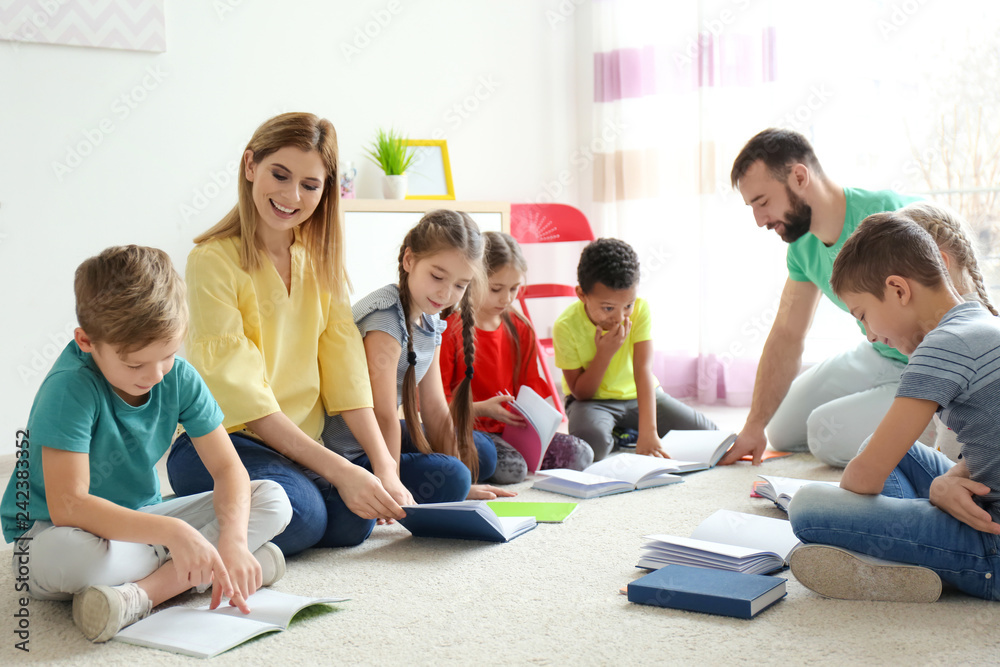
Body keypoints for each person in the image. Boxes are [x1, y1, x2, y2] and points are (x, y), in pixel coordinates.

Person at [0, 246, 292, 642]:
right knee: (81, 558)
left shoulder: (180, 377)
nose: (154, 375)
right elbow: (69, 506)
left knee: (273, 498)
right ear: (86, 341)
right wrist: (177, 534)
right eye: (135, 364)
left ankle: (142, 595)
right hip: (50, 533)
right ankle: (212, 567)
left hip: (141, 522)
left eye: (168, 355)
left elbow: (227, 470)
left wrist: (235, 538)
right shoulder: (69, 387)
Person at [166, 112, 408, 558]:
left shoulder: (320, 259)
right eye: (280, 175)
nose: (291, 196)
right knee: (307, 517)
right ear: (250, 166)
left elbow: (347, 375)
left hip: (300, 449)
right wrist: (343, 472)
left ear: (325, 189)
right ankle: (168, 529)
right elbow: (247, 402)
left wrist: (384, 466)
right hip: (223, 445)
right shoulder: (211, 261)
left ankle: (233, 520)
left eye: (310, 185)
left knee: (357, 517)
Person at [787, 212, 1000, 602]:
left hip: (992, 549)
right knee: (885, 447)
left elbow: (863, 479)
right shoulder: (983, 322)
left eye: (863, 315)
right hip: (986, 507)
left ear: (898, 289)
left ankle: (905, 560)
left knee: (806, 507)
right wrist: (941, 485)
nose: (869, 336)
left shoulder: (941, 346)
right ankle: (910, 550)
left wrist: (936, 493)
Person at [720, 128, 921, 467]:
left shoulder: (890, 217)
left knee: (824, 435)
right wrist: (754, 426)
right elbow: (787, 334)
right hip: (878, 353)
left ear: (799, 177)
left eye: (763, 202)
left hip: (927, 365)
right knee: (780, 429)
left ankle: (941, 429)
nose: (759, 221)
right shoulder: (801, 248)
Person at [322, 210, 512, 499]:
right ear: (409, 260)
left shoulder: (430, 318)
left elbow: (434, 406)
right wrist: (392, 483)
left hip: (383, 432)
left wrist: (466, 487)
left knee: (481, 453)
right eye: (437, 276)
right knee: (455, 476)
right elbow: (383, 412)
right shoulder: (385, 317)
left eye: (461, 285)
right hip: (351, 446)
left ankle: (450, 477)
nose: (447, 293)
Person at [439, 231, 594, 483]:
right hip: (469, 431)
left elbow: (530, 385)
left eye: (514, 288)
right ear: (471, 279)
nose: (507, 298)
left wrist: (540, 418)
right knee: (513, 469)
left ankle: (518, 454)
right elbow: (435, 405)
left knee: (582, 454)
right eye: (496, 289)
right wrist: (480, 409)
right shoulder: (450, 330)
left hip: (515, 432)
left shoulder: (520, 327)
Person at [552, 237, 717, 462]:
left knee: (710, 437)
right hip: (592, 402)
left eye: (627, 305)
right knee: (592, 447)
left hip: (639, 395)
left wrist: (650, 432)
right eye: (608, 308)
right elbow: (582, 393)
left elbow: (643, 370)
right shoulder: (565, 326)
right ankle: (621, 435)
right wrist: (605, 354)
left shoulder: (640, 310)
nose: (619, 318)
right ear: (581, 295)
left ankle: (636, 431)